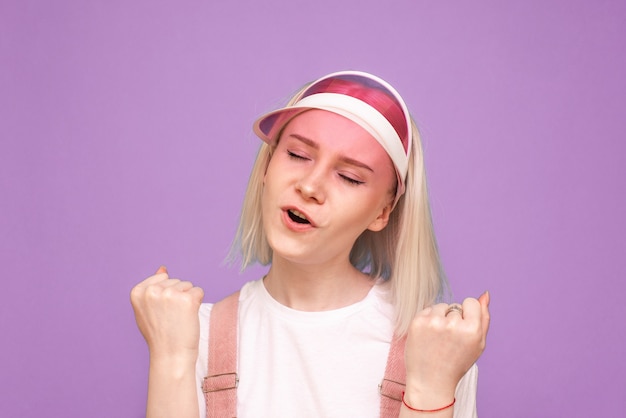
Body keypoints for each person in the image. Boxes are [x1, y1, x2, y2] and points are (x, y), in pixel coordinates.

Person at [131, 70, 491, 418]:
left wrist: (430, 389)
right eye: (298, 155)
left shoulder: (436, 347)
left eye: (349, 177)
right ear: (267, 166)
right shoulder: (192, 335)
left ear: (382, 212)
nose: (309, 186)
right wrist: (171, 358)